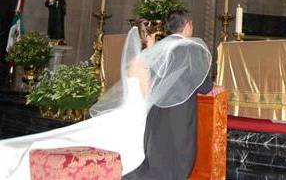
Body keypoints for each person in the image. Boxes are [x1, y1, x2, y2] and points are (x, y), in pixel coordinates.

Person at [0, 13, 212, 179]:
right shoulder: (174, 52)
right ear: (187, 25)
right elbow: (150, 93)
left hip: (134, 107)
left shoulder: (145, 59)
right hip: (142, 109)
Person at [124, 10, 213, 180]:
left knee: (158, 154)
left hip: (156, 108)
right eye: (191, 24)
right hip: (179, 111)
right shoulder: (191, 48)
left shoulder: (161, 46)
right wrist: (211, 87)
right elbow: (202, 83)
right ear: (187, 25)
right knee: (178, 157)